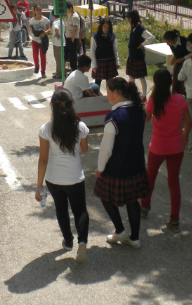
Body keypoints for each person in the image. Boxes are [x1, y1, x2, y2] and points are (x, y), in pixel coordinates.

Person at [94, 78, 149, 249]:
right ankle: (135, 238)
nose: (107, 95)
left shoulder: (113, 117)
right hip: (136, 163)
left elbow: (106, 148)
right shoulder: (139, 111)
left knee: (104, 195)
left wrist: (100, 168)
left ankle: (119, 229)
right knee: (133, 200)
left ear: (116, 93)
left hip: (117, 166)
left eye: (109, 92)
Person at [36, 88, 90, 263]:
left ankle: (68, 241)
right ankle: (82, 241)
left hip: (53, 179)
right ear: (71, 104)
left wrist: (38, 186)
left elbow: (43, 159)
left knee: (61, 209)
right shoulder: (80, 127)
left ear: (52, 106)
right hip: (75, 177)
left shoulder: (46, 129)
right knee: (80, 210)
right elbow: (84, 149)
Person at [141, 69, 191, 232]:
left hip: (157, 147)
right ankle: (174, 219)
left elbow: (147, 119)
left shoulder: (154, 101)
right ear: (170, 82)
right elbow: (188, 122)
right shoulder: (180, 99)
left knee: (150, 178)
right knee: (174, 183)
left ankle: (144, 206)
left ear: (155, 84)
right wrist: (184, 136)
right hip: (176, 147)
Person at [125, 10, 155, 99]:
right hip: (132, 56)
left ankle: (144, 96)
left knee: (141, 77)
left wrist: (143, 45)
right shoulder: (132, 27)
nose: (126, 19)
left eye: (127, 17)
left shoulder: (141, 29)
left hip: (138, 57)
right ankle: (132, 94)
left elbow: (152, 37)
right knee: (131, 76)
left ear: (131, 19)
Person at [90, 18, 120, 89]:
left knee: (110, 83)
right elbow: (92, 51)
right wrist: (94, 65)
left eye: (108, 27)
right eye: (104, 26)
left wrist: (117, 62)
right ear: (101, 26)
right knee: (97, 82)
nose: (106, 29)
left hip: (110, 62)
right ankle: (96, 96)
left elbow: (115, 50)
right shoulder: (95, 36)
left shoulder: (112, 35)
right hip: (99, 63)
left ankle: (110, 98)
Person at [163, 29, 192, 95]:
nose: (168, 44)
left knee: (183, 84)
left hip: (187, 65)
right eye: (166, 42)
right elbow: (176, 52)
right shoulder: (171, 44)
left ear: (174, 39)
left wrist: (183, 58)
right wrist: (174, 57)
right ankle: (176, 97)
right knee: (176, 83)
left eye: (169, 42)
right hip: (178, 65)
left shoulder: (184, 41)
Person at [29, 5, 51, 78]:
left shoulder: (45, 20)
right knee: (35, 54)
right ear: (34, 11)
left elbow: (49, 29)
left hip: (43, 40)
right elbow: (30, 27)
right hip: (35, 40)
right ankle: (36, 66)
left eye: (40, 9)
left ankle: (43, 72)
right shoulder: (32, 20)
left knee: (43, 56)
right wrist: (34, 31)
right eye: (37, 9)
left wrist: (44, 33)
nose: (39, 11)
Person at [65, 2, 81, 72]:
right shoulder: (70, 15)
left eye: (67, 9)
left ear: (70, 8)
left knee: (73, 54)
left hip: (72, 38)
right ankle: (71, 67)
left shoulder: (75, 16)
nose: (66, 11)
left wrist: (72, 38)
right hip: (68, 37)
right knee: (68, 53)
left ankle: (74, 68)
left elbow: (75, 28)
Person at [51, 15, 64, 79]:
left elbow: (56, 28)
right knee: (61, 59)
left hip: (57, 43)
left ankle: (60, 74)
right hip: (62, 42)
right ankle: (60, 72)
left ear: (53, 15)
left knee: (58, 59)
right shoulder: (62, 21)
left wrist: (57, 33)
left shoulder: (55, 22)